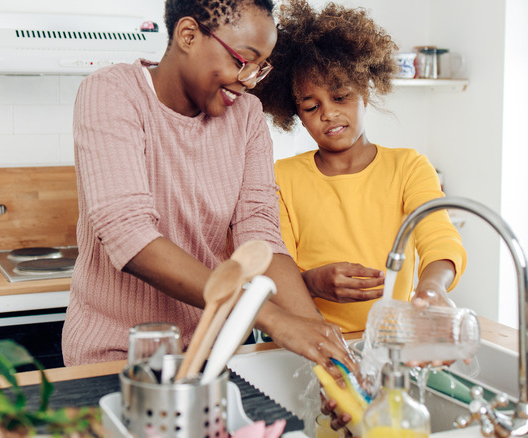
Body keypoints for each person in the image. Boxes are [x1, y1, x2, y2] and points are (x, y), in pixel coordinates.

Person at [62, 0, 354, 371]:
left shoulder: (246, 116)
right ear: (188, 35)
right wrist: (274, 319)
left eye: (259, 68)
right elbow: (128, 234)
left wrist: (321, 343)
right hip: (117, 355)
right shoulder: (112, 93)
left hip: (211, 353)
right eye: (240, 60)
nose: (248, 80)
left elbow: (260, 234)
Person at [252, 0, 468, 340]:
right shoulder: (282, 177)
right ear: (295, 113)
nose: (329, 114)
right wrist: (312, 283)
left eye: (341, 97)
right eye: (311, 106)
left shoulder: (409, 167)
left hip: (392, 340)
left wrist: (432, 289)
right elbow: (277, 269)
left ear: (365, 92)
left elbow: (439, 238)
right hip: (311, 340)